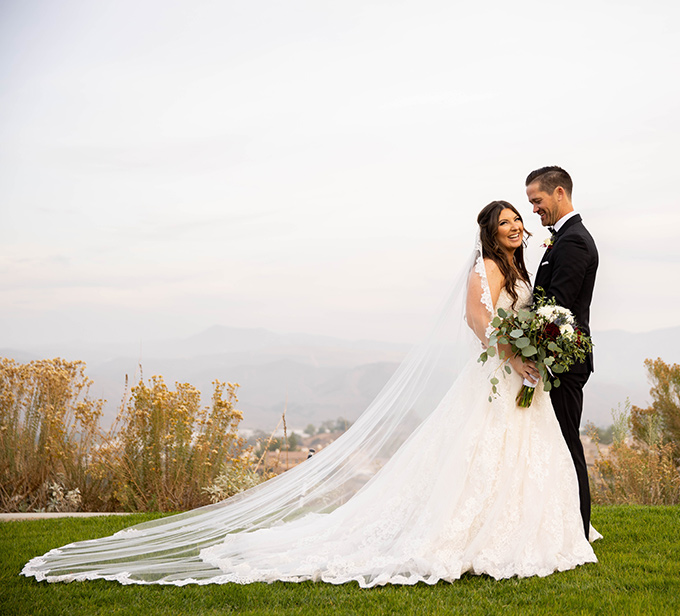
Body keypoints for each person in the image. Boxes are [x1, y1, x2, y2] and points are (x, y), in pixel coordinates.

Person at [22, 201, 597, 588]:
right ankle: (465, 533)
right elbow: (477, 320)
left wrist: (533, 350)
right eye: (506, 223)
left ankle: (518, 528)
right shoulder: (489, 269)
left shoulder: (522, 266)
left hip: (520, 380)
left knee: (521, 454)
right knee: (478, 452)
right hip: (497, 376)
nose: (516, 227)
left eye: (519, 220)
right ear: (489, 232)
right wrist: (514, 354)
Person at [526, 166, 599, 539]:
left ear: (559, 193)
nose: (535, 211)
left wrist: (519, 331)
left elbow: (557, 306)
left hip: (565, 361)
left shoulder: (573, 241)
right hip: (557, 357)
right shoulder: (565, 237)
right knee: (556, 441)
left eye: (537, 202)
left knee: (567, 442)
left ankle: (578, 529)